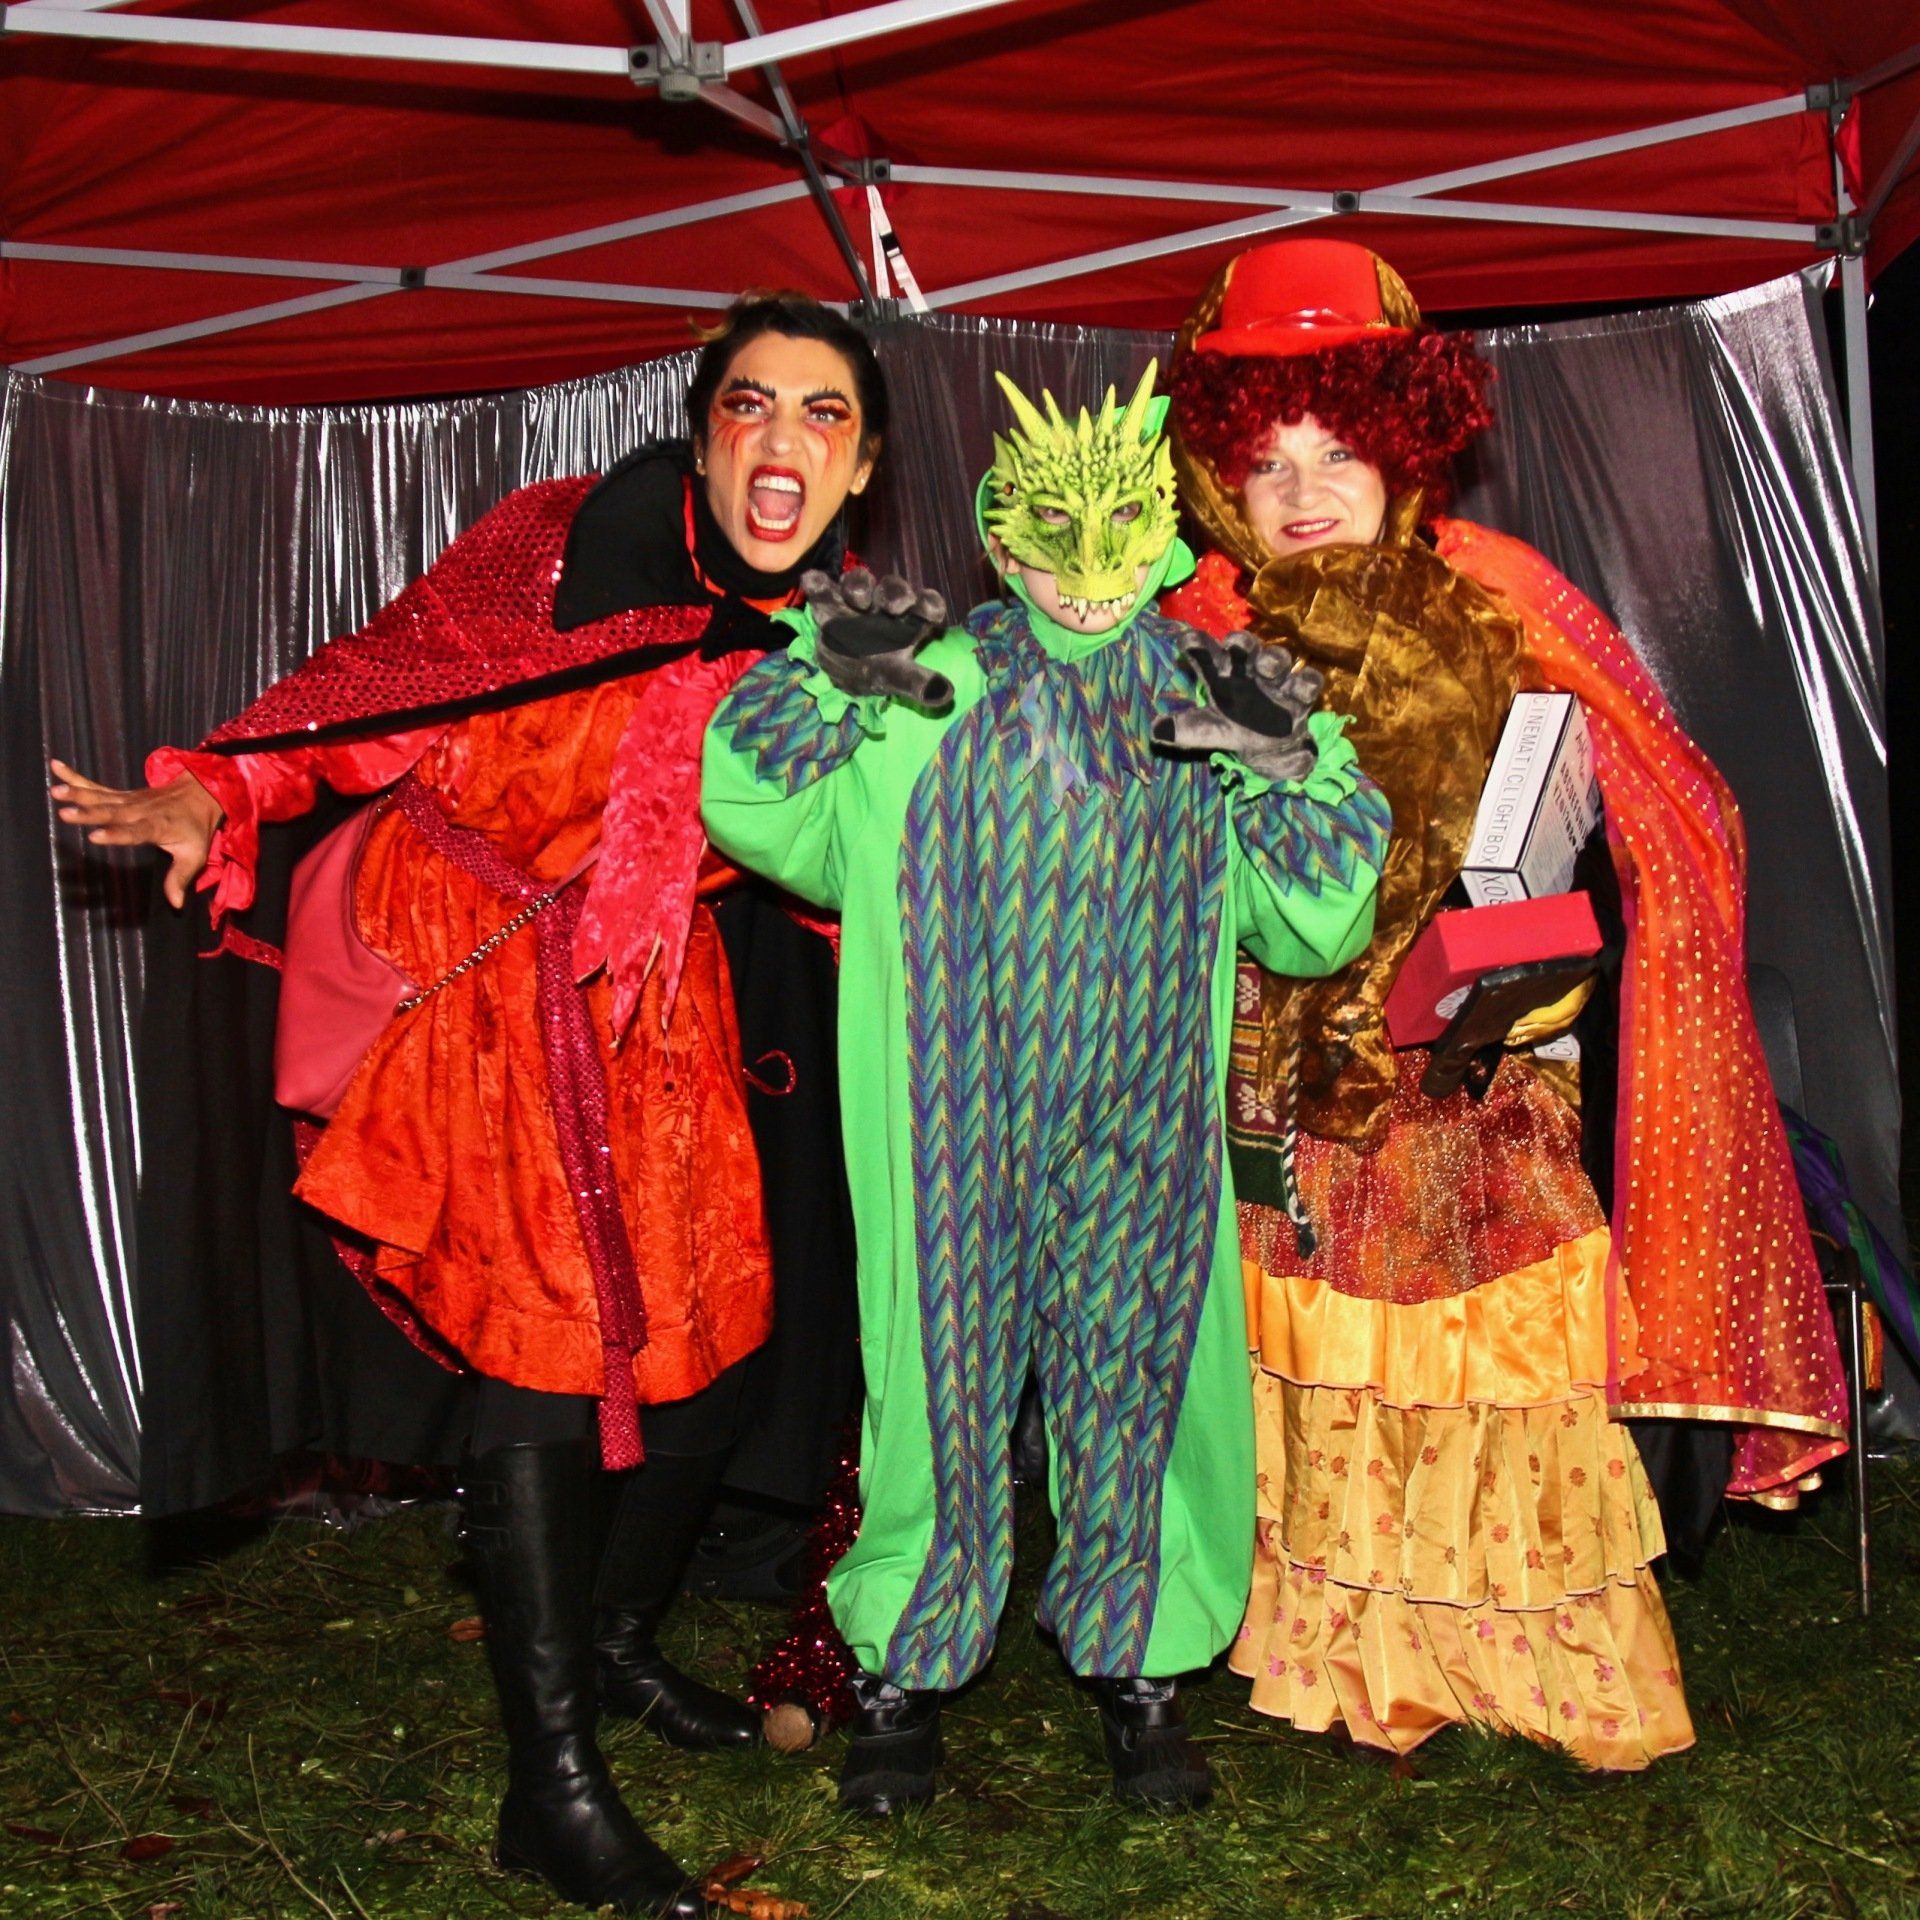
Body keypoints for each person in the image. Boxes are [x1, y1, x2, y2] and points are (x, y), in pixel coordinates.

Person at [51, 292, 887, 1918]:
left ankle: (620, 1641)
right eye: (753, 406)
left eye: (824, 417)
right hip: (486, 972)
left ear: (859, 474)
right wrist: (214, 786)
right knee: (550, 1356)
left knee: (719, 1348)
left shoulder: (845, 641)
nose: (781, 440)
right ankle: (551, 1783)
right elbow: (374, 702)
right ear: (704, 427)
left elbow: (861, 864)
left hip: (655, 992)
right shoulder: (565, 546)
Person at [1161, 236, 1848, 1768]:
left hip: (1482, 1085)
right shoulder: (1201, 624)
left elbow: (1671, 812)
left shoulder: (1503, 590)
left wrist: (1554, 943)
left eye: (1337, 449)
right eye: (1267, 463)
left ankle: (1533, 1672)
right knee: (1317, 1366)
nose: (1304, 489)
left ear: (1402, 449)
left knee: (1501, 1372)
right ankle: (1345, 1661)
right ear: (1224, 481)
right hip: (1282, 1091)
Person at [701, 364, 1390, 1812]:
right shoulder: (928, 681)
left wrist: (1282, 766)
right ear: (1000, 541)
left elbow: (1320, 922)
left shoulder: (1221, 691)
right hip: (951, 1110)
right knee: (932, 1385)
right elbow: (760, 816)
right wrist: (824, 675)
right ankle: (900, 1663)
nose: (1086, 580)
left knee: (1138, 1380)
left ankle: (1139, 1668)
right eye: (1050, 546)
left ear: (1164, 538)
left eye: (1118, 542)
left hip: (1141, 1114)